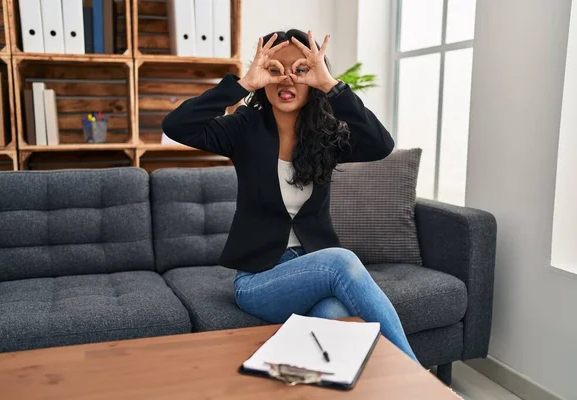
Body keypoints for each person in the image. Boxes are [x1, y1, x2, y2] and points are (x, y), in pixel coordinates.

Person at [162, 29, 418, 362]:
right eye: (274, 69)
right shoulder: (243, 128)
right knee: (342, 262)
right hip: (260, 280)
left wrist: (331, 85)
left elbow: (381, 145)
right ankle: (419, 380)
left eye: (299, 70)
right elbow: (176, 125)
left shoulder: (328, 135)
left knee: (334, 316)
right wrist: (241, 85)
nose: (286, 80)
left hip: (313, 271)